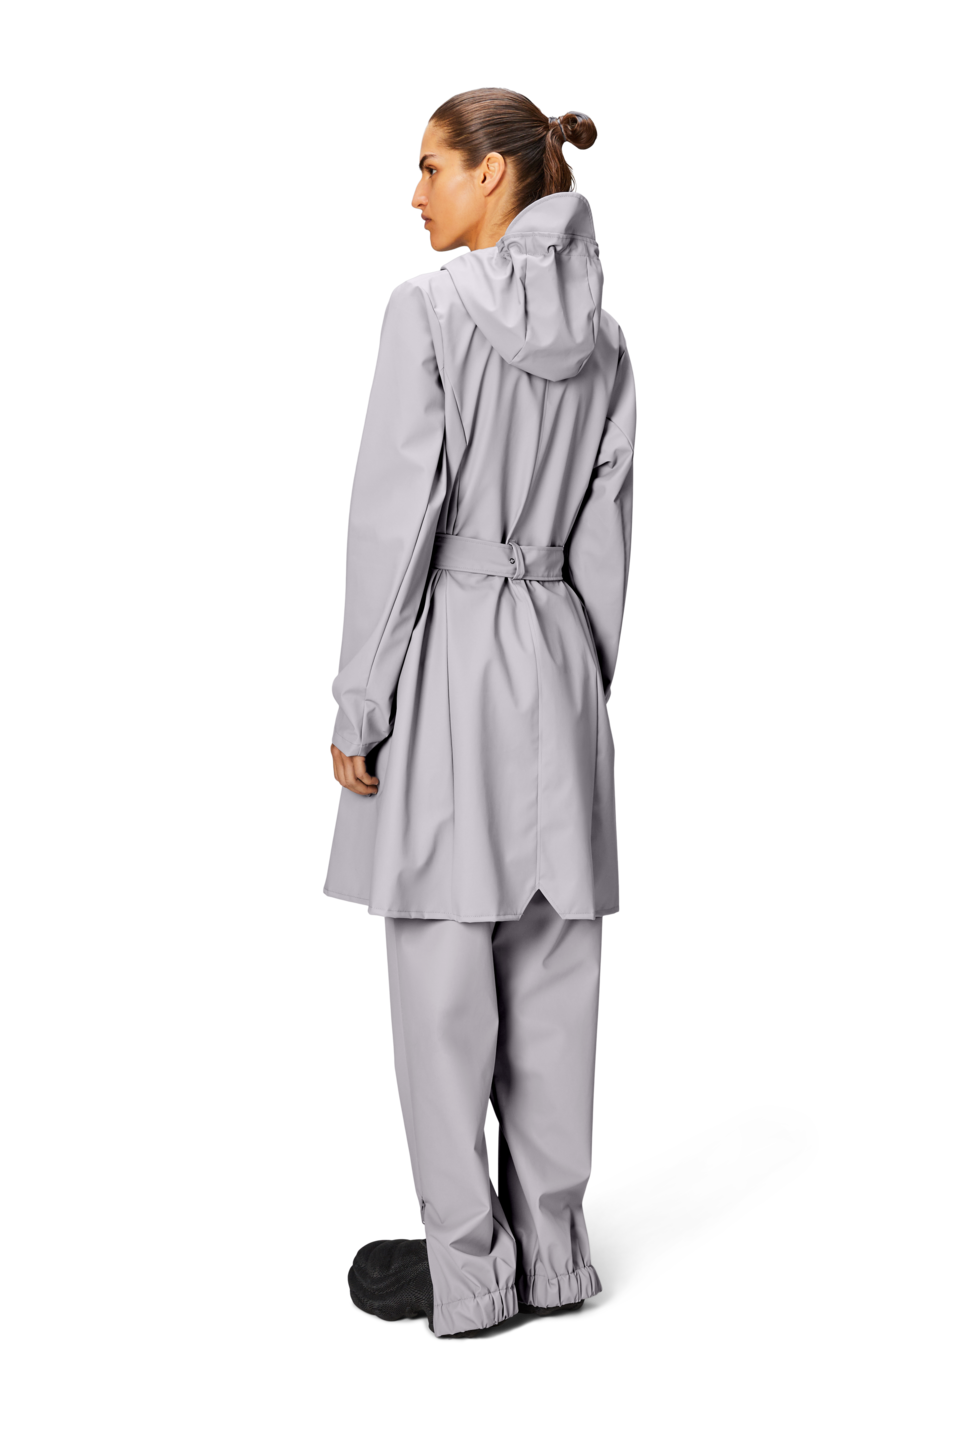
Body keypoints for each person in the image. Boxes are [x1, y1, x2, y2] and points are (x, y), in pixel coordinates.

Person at [326, 88, 637, 1340]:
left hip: (452, 652)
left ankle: (469, 1277)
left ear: (495, 174)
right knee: (558, 975)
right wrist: (584, 688)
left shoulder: (430, 309)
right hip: (561, 656)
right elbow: (610, 536)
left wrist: (359, 700)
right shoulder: (608, 337)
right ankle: (558, 1263)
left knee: (443, 984)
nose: (415, 195)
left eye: (431, 168)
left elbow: (394, 524)